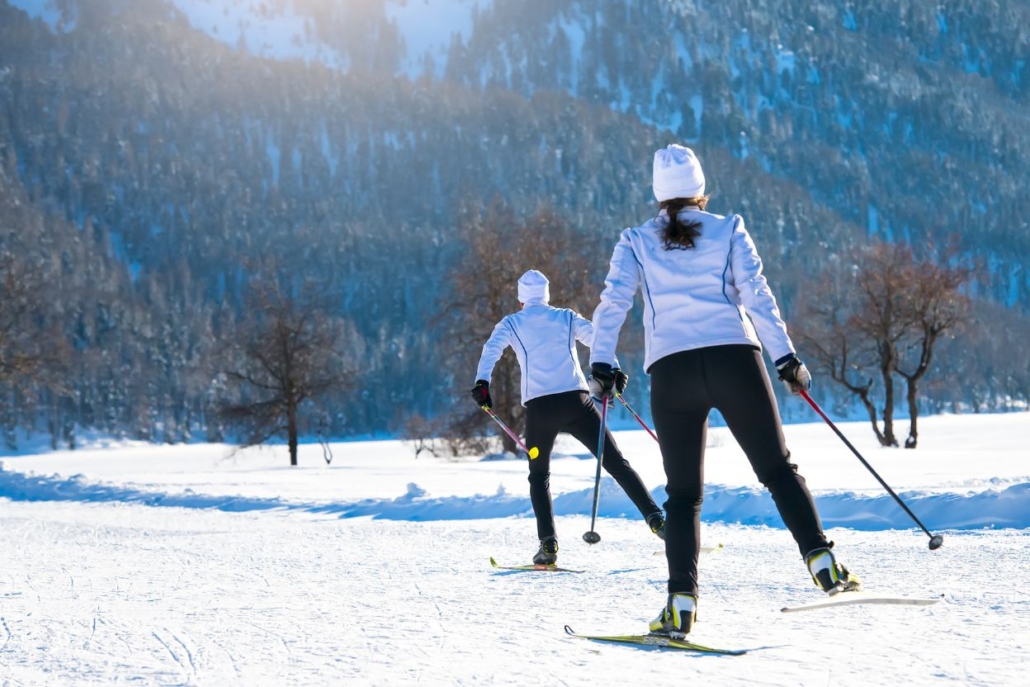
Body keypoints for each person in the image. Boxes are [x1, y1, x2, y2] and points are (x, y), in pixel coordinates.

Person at [588, 144, 860, 637]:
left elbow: (612, 305)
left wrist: (601, 365)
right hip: (736, 361)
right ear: (699, 189)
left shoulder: (634, 241)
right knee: (777, 469)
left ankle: (681, 604)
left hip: (672, 373)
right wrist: (786, 359)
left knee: (684, 495)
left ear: (657, 196)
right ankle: (822, 562)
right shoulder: (729, 227)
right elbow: (757, 294)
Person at [471, 269, 666, 565]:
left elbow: (491, 351)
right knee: (616, 463)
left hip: (541, 409)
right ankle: (657, 521)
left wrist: (482, 384)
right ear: (547, 295)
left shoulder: (511, 323)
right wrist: (611, 371)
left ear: (522, 299)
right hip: (578, 402)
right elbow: (597, 340)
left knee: (539, 476)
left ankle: (548, 545)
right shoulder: (565, 316)